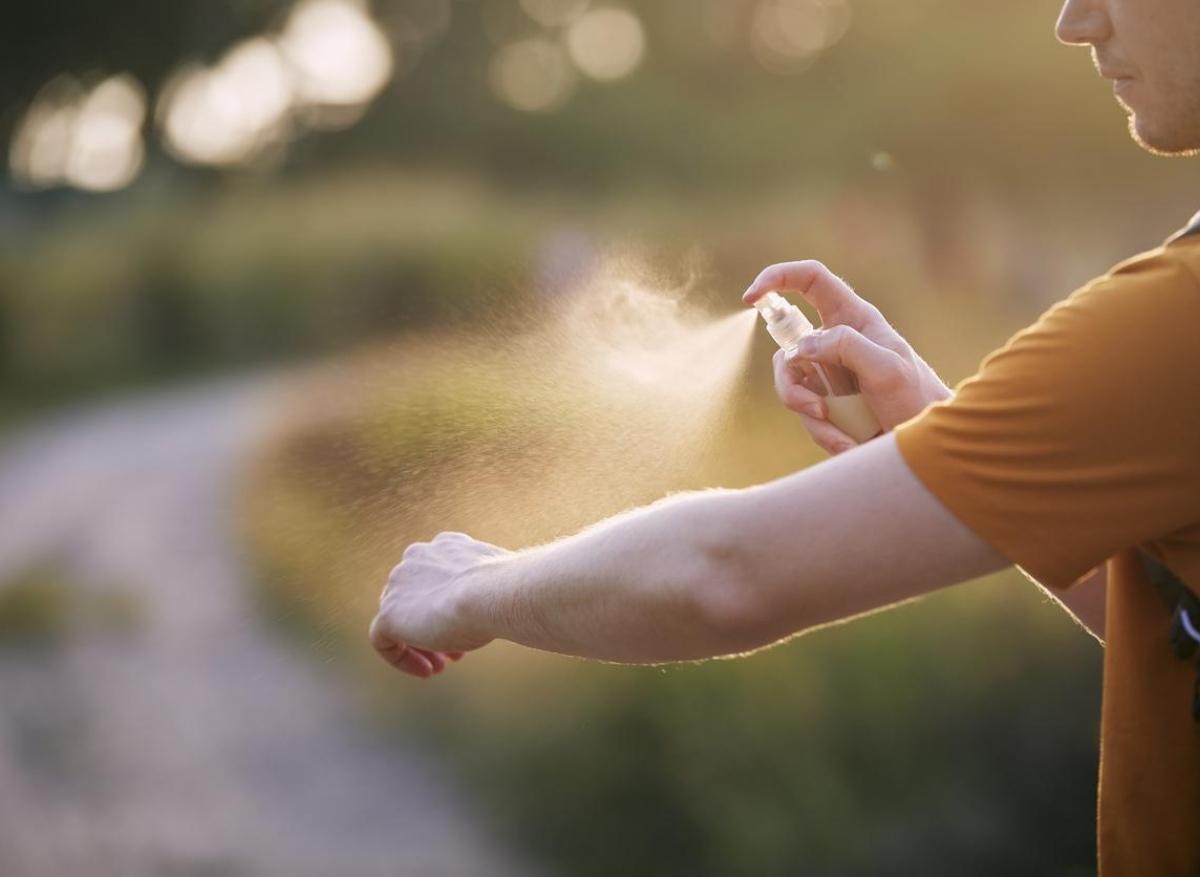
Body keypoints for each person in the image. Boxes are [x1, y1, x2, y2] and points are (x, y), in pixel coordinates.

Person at [369, 0, 1200, 872]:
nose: (1075, 21)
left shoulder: (1173, 321)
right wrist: (932, 426)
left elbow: (726, 574)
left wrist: (471, 584)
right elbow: (1160, 622)